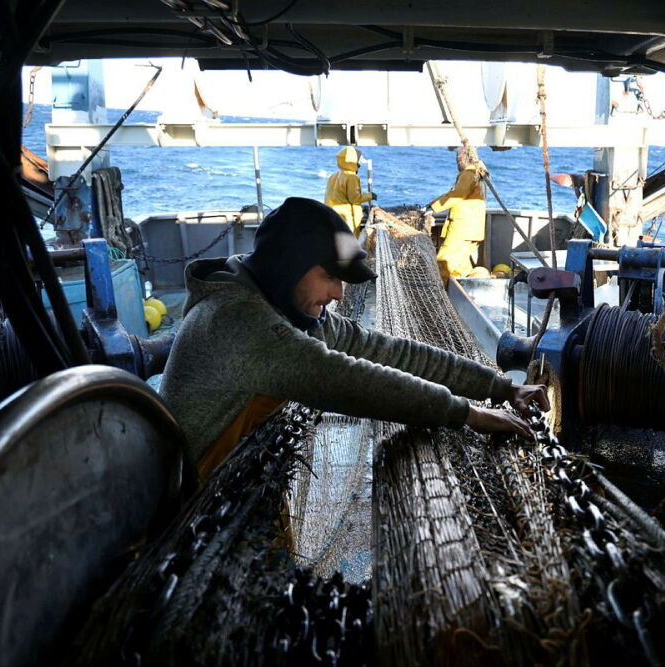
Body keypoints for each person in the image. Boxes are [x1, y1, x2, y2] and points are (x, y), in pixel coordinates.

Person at [160, 197, 548, 481]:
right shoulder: (238, 321)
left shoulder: (284, 306)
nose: (339, 295)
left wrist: (499, 387)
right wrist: (468, 414)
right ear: (286, 268)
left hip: (240, 479)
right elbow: (349, 380)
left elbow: (388, 353)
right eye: (330, 277)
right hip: (191, 504)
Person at [429, 146, 486, 283]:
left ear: (465, 158)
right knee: (461, 267)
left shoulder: (468, 174)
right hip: (472, 230)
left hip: (462, 230)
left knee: (443, 262)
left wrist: (432, 207)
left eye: (458, 158)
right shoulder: (478, 173)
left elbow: (457, 195)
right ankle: (464, 292)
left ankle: (440, 297)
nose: (457, 162)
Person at [324, 146, 375, 235]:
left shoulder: (333, 176)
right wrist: (370, 196)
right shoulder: (352, 177)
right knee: (350, 243)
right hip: (347, 218)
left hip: (332, 215)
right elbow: (354, 198)